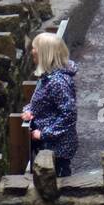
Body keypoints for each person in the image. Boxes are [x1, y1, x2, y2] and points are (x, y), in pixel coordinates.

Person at [21, 32, 78, 177]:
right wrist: (29, 111)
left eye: (35, 48)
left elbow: (69, 115)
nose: (32, 51)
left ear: (46, 53)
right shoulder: (47, 77)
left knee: (58, 183)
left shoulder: (57, 82)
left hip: (57, 148)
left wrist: (44, 134)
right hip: (48, 145)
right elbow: (41, 102)